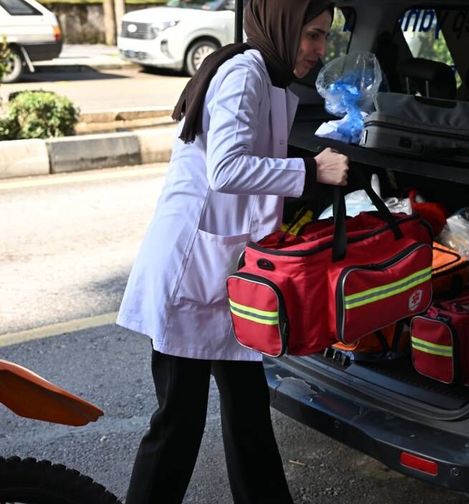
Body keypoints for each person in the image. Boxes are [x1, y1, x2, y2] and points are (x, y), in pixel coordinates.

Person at [117, 0, 346, 502]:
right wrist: (311, 171)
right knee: (178, 424)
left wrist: (311, 158)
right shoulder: (245, 74)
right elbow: (226, 168)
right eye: (311, 34)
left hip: (228, 276)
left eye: (326, 36)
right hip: (189, 276)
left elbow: (255, 154)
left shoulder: (268, 76)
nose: (319, 49)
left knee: (248, 415)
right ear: (283, 27)